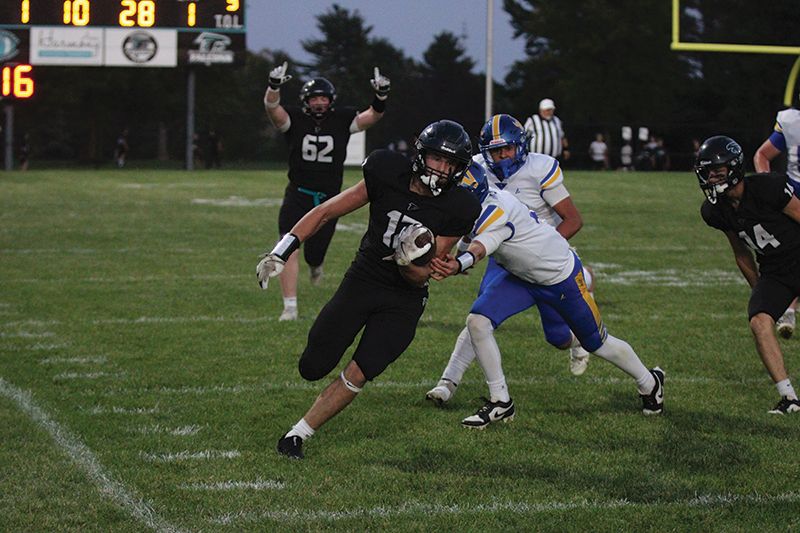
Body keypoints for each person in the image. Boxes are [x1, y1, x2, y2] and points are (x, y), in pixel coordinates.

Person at [256, 120, 481, 458]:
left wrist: (411, 260)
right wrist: (282, 250)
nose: (444, 170)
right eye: (438, 159)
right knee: (312, 366)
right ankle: (306, 407)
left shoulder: (459, 206)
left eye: (452, 165)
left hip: (404, 298)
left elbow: (422, 276)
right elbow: (325, 211)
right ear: (421, 154)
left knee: (362, 369)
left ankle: (298, 434)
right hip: (364, 278)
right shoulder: (385, 170)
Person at [428, 162, 664, 427]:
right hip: (521, 276)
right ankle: (501, 402)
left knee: (596, 343)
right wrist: (456, 257)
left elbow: (483, 245)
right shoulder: (481, 203)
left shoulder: (495, 211)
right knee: (478, 321)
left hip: (558, 277)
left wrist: (460, 263)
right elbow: (469, 235)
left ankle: (649, 382)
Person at [426, 114, 594, 413]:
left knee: (558, 338)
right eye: (495, 151)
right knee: (480, 317)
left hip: (542, 258)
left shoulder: (539, 168)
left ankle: (582, 325)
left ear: (522, 146)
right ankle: (448, 382)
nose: (502, 157)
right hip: (501, 254)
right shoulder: (475, 168)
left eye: (508, 149)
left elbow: (573, 220)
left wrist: (542, 253)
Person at [264, 62, 391, 321]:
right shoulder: (295, 120)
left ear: (331, 101)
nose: (319, 103)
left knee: (314, 254)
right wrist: (273, 87)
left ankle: (316, 266)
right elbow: (272, 109)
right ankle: (289, 307)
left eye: (323, 98)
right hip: (298, 194)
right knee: (289, 246)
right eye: (314, 98)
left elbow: (373, 116)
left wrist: (381, 96)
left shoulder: (341, 120)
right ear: (305, 101)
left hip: (330, 200)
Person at [697, 135, 800, 414]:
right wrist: (760, 290)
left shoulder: (769, 187)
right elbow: (741, 252)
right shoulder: (715, 210)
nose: (712, 179)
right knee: (759, 321)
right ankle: (789, 398)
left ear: (735, 168)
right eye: (708, 173)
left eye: (717, 172)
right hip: (775, 271)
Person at [754, 97, 800, 338]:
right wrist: (769, 187)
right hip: (793, 201)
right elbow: (762, 156)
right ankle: (788, 309)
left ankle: (789, 309)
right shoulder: (791, 121)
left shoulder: (791, 121)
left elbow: (761, 155)